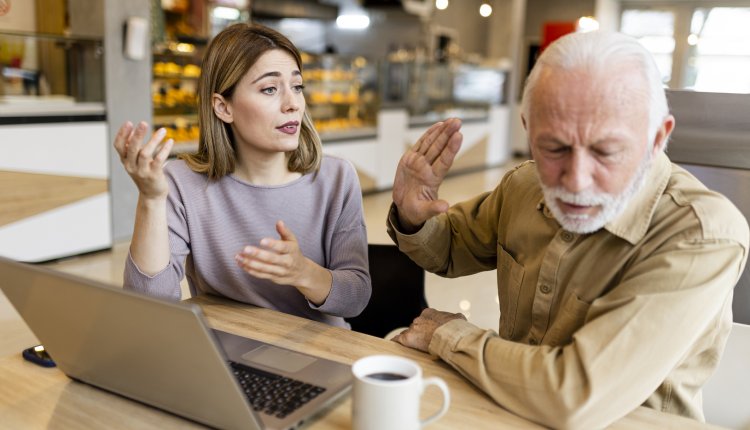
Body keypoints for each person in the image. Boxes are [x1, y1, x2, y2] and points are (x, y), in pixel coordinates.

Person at [388, 31, 749, 428]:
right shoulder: (524, 186)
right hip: (505, 412)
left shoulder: (701, 233)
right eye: (554, 148)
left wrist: (450, 335)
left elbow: (575, 395)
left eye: (606, 152)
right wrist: (414, 216)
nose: (576, 180)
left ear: (657, 138)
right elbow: (450, 249)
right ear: (527, 129)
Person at [113, 23, 371, 328]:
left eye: (297, 86)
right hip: (226, 353)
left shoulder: (336, 178)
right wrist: (152, 200)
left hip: (318, 353)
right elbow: (150, 308)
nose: (293, 104)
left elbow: (356, 298)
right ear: (223, 107)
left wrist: (303, 272)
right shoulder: (181, 183)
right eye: (270, 89)